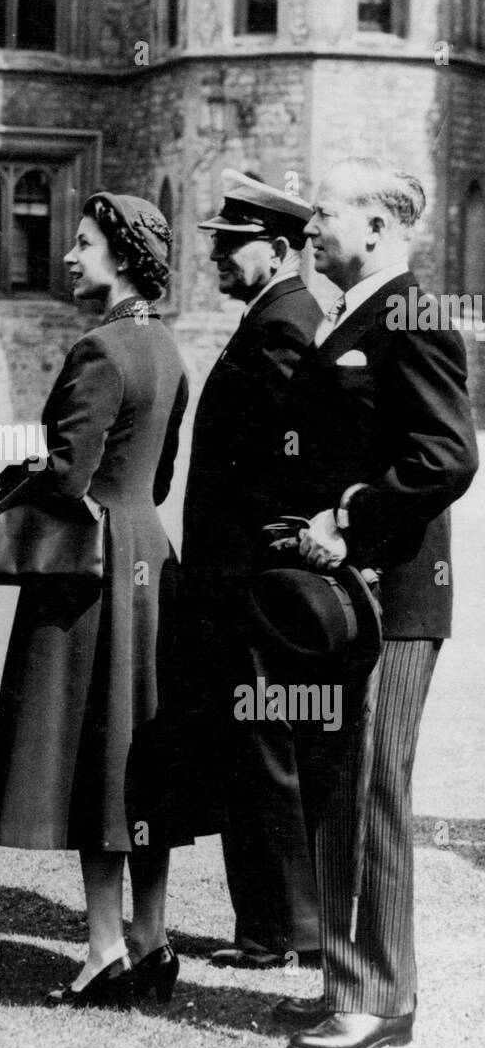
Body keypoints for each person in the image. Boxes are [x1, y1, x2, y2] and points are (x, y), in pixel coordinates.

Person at [264, 158, 478, 1048]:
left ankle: (378, 998)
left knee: (369, 788)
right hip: (340, 601)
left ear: (379, 229)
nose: (311, 228)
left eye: (325, 214)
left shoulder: (415, 314)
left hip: (391, 596)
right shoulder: (347, 314)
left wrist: (350, 518)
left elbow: (447, 457)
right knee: (336, 784)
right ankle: (344, 981)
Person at [0, 192, 191, 1009]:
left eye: (85, 244)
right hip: (148, 554)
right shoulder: (168, 348)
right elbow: (161, 473)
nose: (69, 256)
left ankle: (104, 947)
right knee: (145, 758)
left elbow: (66, 475)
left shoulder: (100, 349)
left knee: (100, 759)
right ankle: (152, 936)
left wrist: (19, 481)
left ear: (125, 258)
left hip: (92, 569)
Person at [182, 170, 323, 969]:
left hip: (251, 584)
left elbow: (291, 453)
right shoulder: (272, 315)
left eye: (231, 248)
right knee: (257, 746)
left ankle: (278, 929)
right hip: (240, 578)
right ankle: (276, 924)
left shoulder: (284, 324)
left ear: (275, 249)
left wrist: (268, 543)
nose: (219, 262)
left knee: (264, 748)